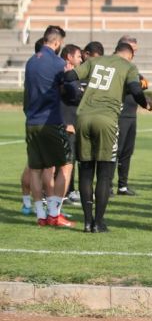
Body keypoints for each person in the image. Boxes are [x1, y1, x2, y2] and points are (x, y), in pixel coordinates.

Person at [67, 41, 152, 232]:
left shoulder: (95, 61)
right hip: (106, 120)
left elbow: (70, 76)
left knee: (86, 171)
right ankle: (98, 223)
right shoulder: (129, 66)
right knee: (105, 174)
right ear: (129, 55)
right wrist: (145, 104)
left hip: (83, 117)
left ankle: (87, 222)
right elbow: (136, 89)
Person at [23, 27, 73, 227]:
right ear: (57, 43)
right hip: (51, 122)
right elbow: (69, 92)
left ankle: (40, 216)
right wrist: (69, 75)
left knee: (36, 169)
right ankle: (54, 213)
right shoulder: (58, 63)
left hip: (31, 122)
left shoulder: (31, 61)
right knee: (65, 165)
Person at [114, 35, 147, 196]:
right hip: (118, 114)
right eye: (132, 49)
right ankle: (107, 185)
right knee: (115, 151)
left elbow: (142, 83)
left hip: (131, 114)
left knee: (127, 151)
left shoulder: (131, 67)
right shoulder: (115, 66)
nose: (134, 53)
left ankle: (122, 185)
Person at [59, 44, 83, 205]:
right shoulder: (64, 74)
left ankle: (68, 191)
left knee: (71, 159)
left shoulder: (70, 74)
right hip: (66, 122)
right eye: (78, 56)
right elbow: (73, 95)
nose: (81, 59)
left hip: (72, 121)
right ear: (69, 57)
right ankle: (60, 194)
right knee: (65, 160)